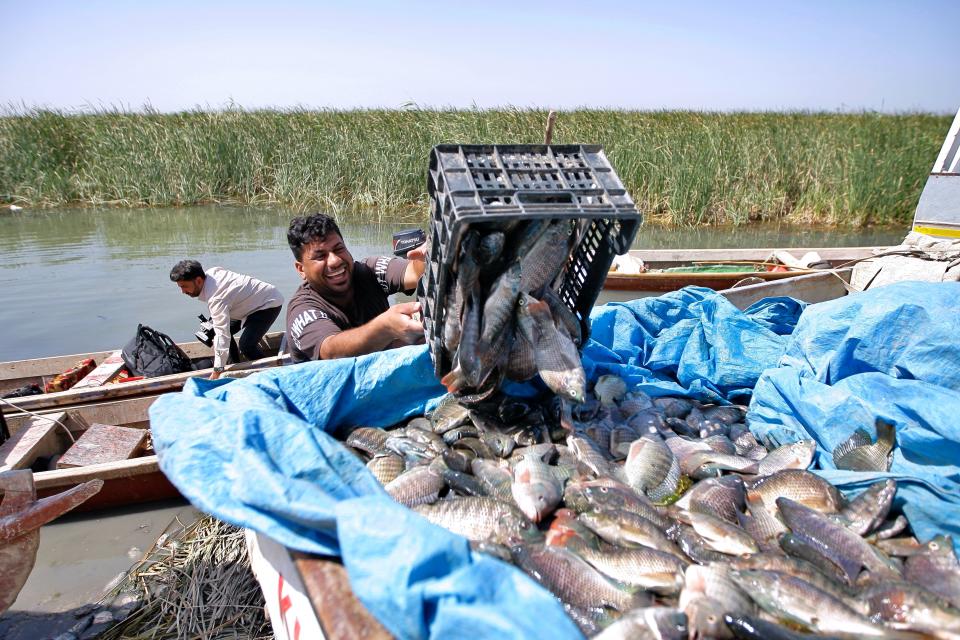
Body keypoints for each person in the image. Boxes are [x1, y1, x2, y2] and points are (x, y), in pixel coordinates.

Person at [285, 212, 425, 363]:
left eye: (338, 249)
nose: (335, 261)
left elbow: (414, 273)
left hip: (380, 371)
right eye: (320, 256)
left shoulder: (370, 271)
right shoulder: (302, 310)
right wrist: (385, 327)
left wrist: (431, 254)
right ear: (301, 270)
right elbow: (331, 351)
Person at [169, 260, 284, 379]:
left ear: (198, 280)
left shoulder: (216, 298)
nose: (182, 292)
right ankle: (234, 368)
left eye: (184, 286)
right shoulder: (211, 272)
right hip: (245, 305)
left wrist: (217, 369)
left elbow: (222, 334)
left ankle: (271, 374)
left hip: (268, 304)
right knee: (216, 332)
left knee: (246, 345)